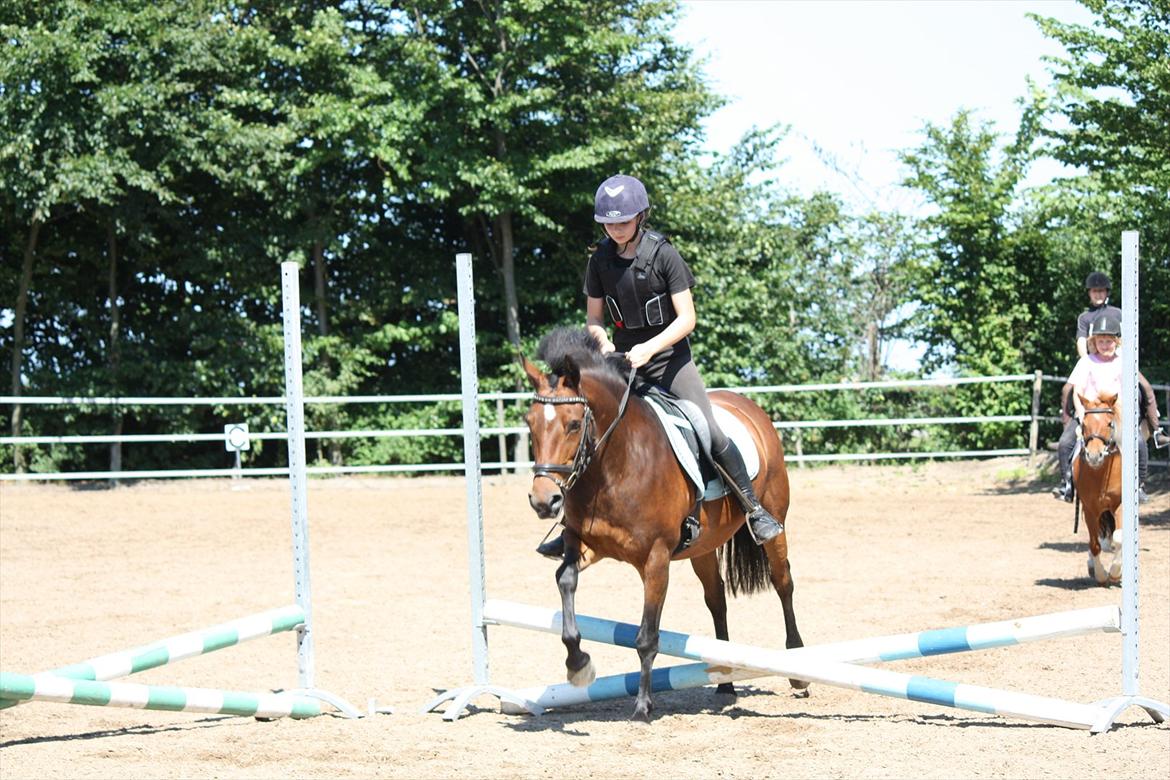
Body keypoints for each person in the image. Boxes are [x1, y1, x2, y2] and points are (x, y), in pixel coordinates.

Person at [536, 174, 783, 558]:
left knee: (707, 429)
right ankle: (573, 523)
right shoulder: (599, 260)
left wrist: (650, 348)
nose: (616, 229)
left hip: (670, 361)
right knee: (591, 430)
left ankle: (753, 509)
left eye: (623, 221)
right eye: (609, 223)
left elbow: (687, 318)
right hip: (622, 364)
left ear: (640, 217)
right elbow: (594, 320)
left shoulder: (664, 255)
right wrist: (605, 347)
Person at [1052, 312, 1166, 504]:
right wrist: (1081, 414)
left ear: (1117, 343)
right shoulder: (1086, 362)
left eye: (1109, 341)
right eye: (1101, 341)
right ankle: (1067, 484)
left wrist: (1120, 413)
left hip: (1114, 415)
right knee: (1065, 443)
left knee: (1137, 442)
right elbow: (1077, 391)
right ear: (1094, 343)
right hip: (1089, 414)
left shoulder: (1123, 363)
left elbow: (1126, 391)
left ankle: (1138, 485)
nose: (1105, 345)